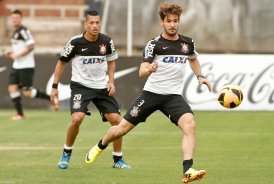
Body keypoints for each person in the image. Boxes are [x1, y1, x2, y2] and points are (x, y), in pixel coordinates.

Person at [84, 2, 212, 183]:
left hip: (173, 97)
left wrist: (200, 76)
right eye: (169, 21)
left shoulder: (187, 43)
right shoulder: (154, 44)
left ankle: (187, 170)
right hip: (151, 94)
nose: (172, 24)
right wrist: (149, 69)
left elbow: (193, 59)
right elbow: (141, 71)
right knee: (121, 129)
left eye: (175, 21)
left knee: (190, 124)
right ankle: (101, 145)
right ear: (162, 22)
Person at [50, 10, 131, 170]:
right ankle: (66, 153)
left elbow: (111, 62)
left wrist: (111, 81)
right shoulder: (75, 43)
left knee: (117, 121)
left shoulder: (107, 42)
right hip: (81, 87)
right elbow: (61, 63)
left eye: (97, 23)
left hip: (101, 87)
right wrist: (54, 87)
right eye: (91, 23)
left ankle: (118, 160)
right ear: (85, 24)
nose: (95, 26)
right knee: (77, 118)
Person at [4, 9, 52, 121]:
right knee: (12, 88)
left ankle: (50, 98)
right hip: (17, 65)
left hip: (26, 66)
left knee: (27, 92)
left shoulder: (23, 31)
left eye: (16, 18)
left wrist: (18, 55)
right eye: (13, 18)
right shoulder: (15, 32)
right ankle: (20, 114)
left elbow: (31, 46)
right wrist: (11, 53)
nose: (14, 20)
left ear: (21, 19)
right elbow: (19, 48)